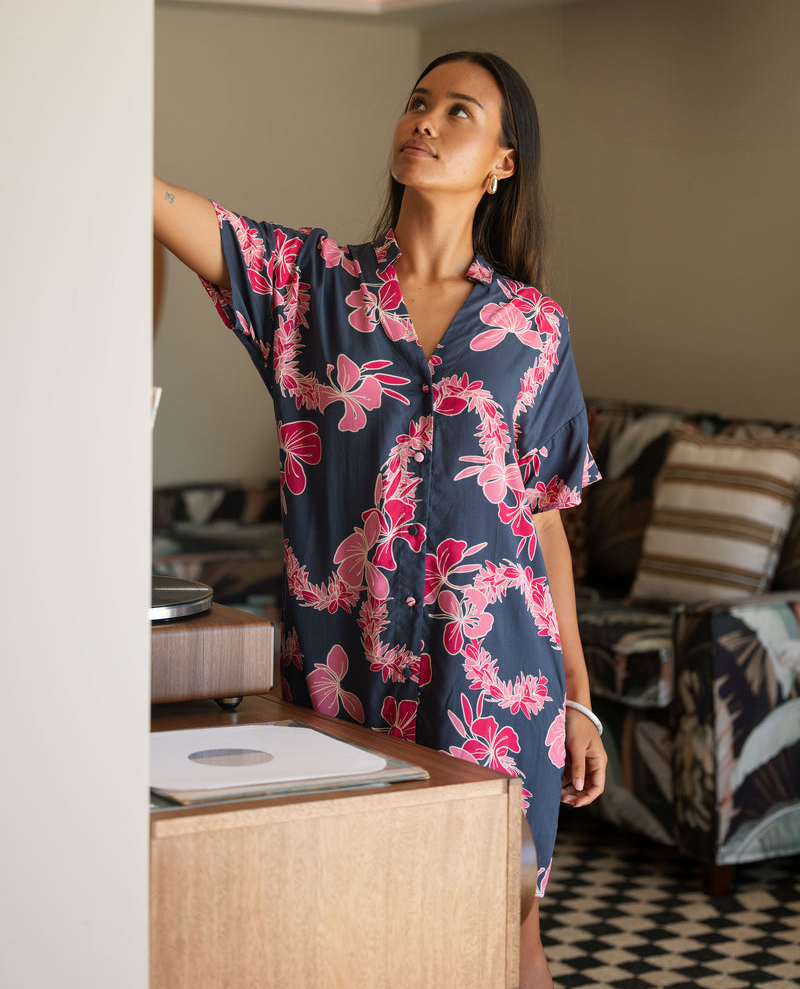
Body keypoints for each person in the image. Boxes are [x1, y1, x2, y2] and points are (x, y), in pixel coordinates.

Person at [154, 50, 606, 988]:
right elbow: (155, 204)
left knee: (507, 934)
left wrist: (578, 692)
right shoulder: (309, 285)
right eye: (416, 101)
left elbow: (544, 517)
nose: (425, 121)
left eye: (457, 112)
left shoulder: (534, 328)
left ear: (501, 164)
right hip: (342, 676)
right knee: (350, 931)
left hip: (496, 684)